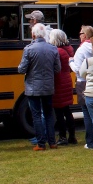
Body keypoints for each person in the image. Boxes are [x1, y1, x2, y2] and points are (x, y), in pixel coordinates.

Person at [18, 23, 60, 151]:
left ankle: (41, 143)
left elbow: (22, 69)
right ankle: (52, 141)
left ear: (33, 34)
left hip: (33, 87)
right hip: (48, 86)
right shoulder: (53, 49)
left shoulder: (29, 49)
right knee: (48, 114)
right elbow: (57, 68)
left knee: (36, 115)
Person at [70, 25, 93, 149]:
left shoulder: (81, 49)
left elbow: (78, 68)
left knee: (86, 113)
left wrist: (70, 62)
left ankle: (90, 141)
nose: (79, 35)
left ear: (85, 35)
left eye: (81, 33)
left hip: (83, 82)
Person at [49, 29, 77, 146]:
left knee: (59, 111)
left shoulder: (57, 51)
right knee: (67, 110)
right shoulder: (68, 49)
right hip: (66, 80)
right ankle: (72, 136)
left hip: (58, 81)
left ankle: (62, 136)